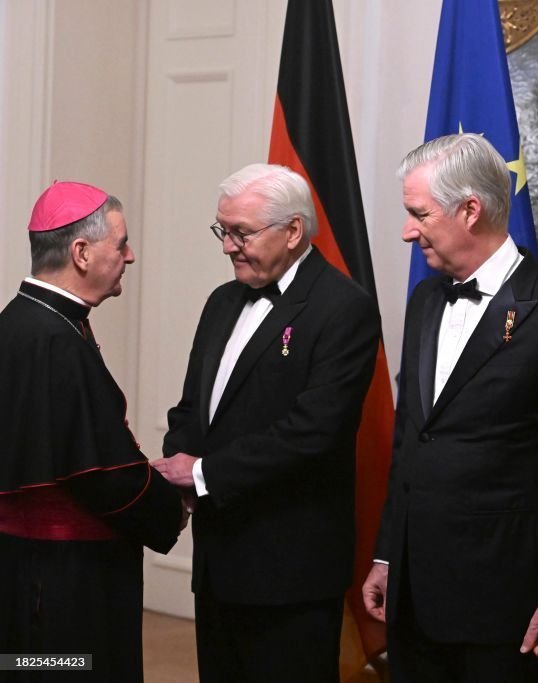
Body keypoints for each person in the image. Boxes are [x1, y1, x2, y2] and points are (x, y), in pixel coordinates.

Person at [361, 133, 538, 683]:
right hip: (414, 595)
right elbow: (411, 441)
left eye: (419, 214)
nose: (407, 231)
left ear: (470, 210)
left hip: (503, 603)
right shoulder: (426, 300)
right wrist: (387, 555)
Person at [154, 164, 380, 682]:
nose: (227, 246)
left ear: (293, 230)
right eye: (223, 229)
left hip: (290, 572)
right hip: (218, 561)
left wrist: (203, 473)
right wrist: (180, 472)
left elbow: (314, 432)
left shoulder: (344, 308)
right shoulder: (221, 301)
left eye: (241, 232)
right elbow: (192, 408)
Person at [0, 182, 184, 682]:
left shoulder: (20, 322)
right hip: (67, 582)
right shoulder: (55, 339)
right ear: (81, 253)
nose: (130, 256)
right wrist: (171, 504)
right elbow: (101, 473)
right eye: (120, 244)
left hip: (22, 571)